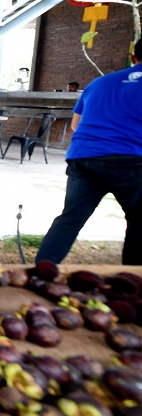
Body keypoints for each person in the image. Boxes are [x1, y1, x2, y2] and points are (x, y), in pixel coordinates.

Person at [36, 53, 142, 265]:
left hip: (84, 157)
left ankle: (40, 272)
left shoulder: (100, 83)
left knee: (70, 219)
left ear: (133, 57)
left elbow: (76, 125)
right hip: (132, 160)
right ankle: (132, 284)